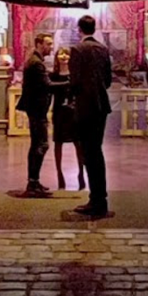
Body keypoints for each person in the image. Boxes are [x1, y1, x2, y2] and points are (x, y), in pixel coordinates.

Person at [67, 14, 113, 218]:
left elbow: (74, 82)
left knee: (89, 154)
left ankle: (96, 202)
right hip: (101, 107)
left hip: (85, 107)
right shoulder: (103, 49)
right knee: (97, 152)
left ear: (79, 29)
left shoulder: (77, 50)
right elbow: (109, 80)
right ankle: (99, 198)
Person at [16, 32, 54, 198]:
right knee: (41, 145)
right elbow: (47, 85)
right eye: (48, 44)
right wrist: (71, 83)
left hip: (37, 109)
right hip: (37, 110)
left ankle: (34, 181)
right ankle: (32, 183)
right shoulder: (36, 63)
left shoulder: (36, 61)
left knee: (37, 145)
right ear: (39, 44)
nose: (51, 47)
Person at [48, 46, 84, 191]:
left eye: (67, 54)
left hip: (74, 112)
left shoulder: (76, 74)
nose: (64, 57)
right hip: (59, 112)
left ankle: (81, 174)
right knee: (58, 143)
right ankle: (59, 175)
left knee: (78, 144)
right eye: (61, 54)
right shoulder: (53, 75)